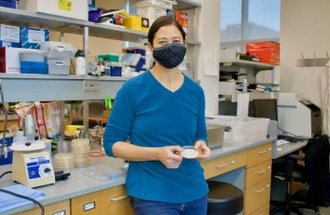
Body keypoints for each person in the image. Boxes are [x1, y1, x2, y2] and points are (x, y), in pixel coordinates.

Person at [103, 15, 211, 215]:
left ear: (185, 44)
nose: (170, 46)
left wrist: (201, 146)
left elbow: (199, 136)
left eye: (176, 41)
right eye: (162, 42)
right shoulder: (133, 89)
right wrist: (156, 153)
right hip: (153, 195)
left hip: (195, 191)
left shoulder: (195, 91)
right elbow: (111, 144)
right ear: (151, 47)